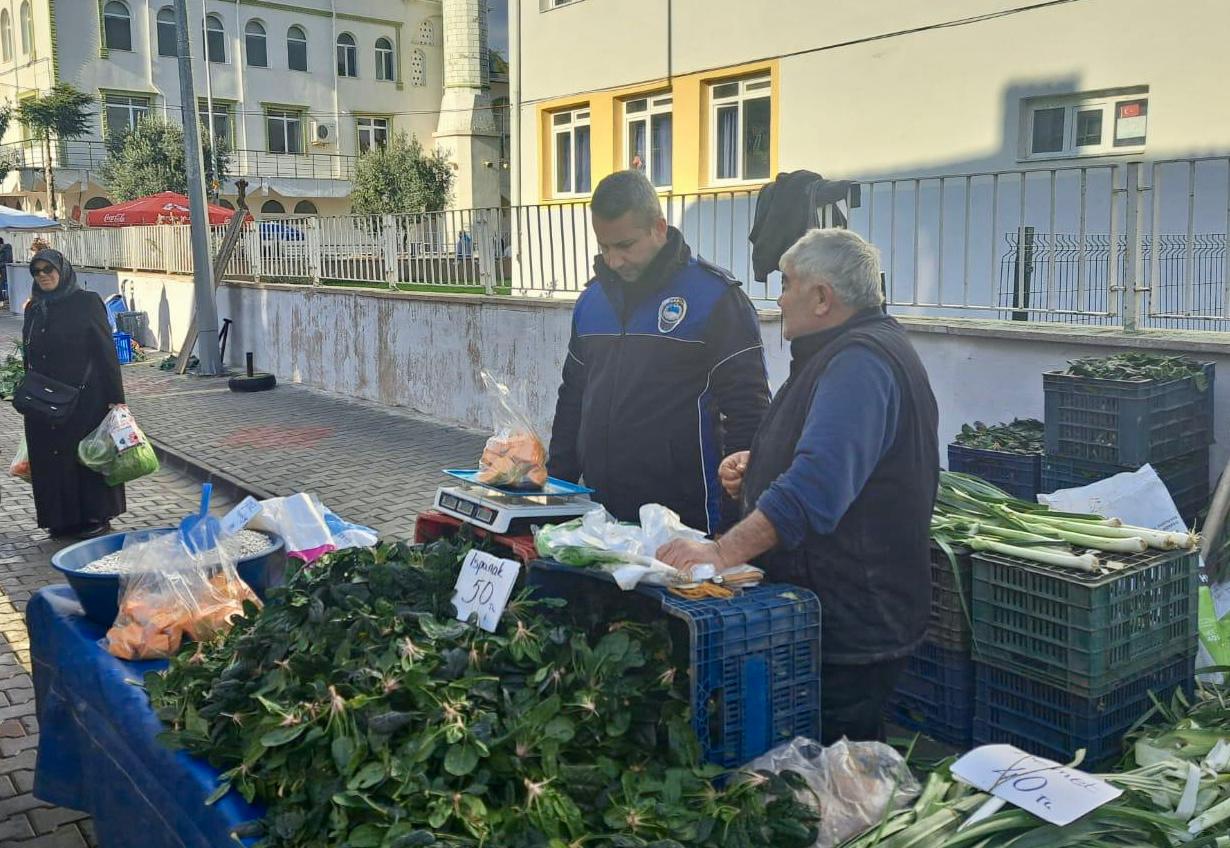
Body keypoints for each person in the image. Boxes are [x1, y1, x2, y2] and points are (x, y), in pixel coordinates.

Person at [657, 228, 939, 743]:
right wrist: (759, 461)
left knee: (840, 774)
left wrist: (720, 555)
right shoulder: (846, 352)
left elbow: (815, 489)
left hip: (853, 619)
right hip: (845, 608)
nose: (779, 297)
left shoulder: (860, 362)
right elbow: (833, 456)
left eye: (787, 284)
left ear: (823, 297)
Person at [549, 170, 770, 533]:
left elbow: (749, 408)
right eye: (604, 247)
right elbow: (572, 398)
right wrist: (557, 493)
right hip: (600, 515)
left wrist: (736, 518)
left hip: (688, 520)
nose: (614, 260)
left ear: (659, 228)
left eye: (625, 245)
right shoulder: (591, 301)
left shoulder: (715, 298)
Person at [20, 249, 127, 539]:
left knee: (86, 457)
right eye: (37, 271)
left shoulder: (86, 303)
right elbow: (29, 354)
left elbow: (107, 353)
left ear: (62, 270)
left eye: (48, 269)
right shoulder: (34, 308)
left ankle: (96, 515)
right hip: (43, 401)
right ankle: (60, 518)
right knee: (51, 459)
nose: (43, 275)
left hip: (85, 399)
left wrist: (117, 400)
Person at [0, 237, 12, 304]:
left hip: (4, 270)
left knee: (4, 285)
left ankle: (4, 300)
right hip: (3, 270)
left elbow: (8, 261)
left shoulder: (6, 247)